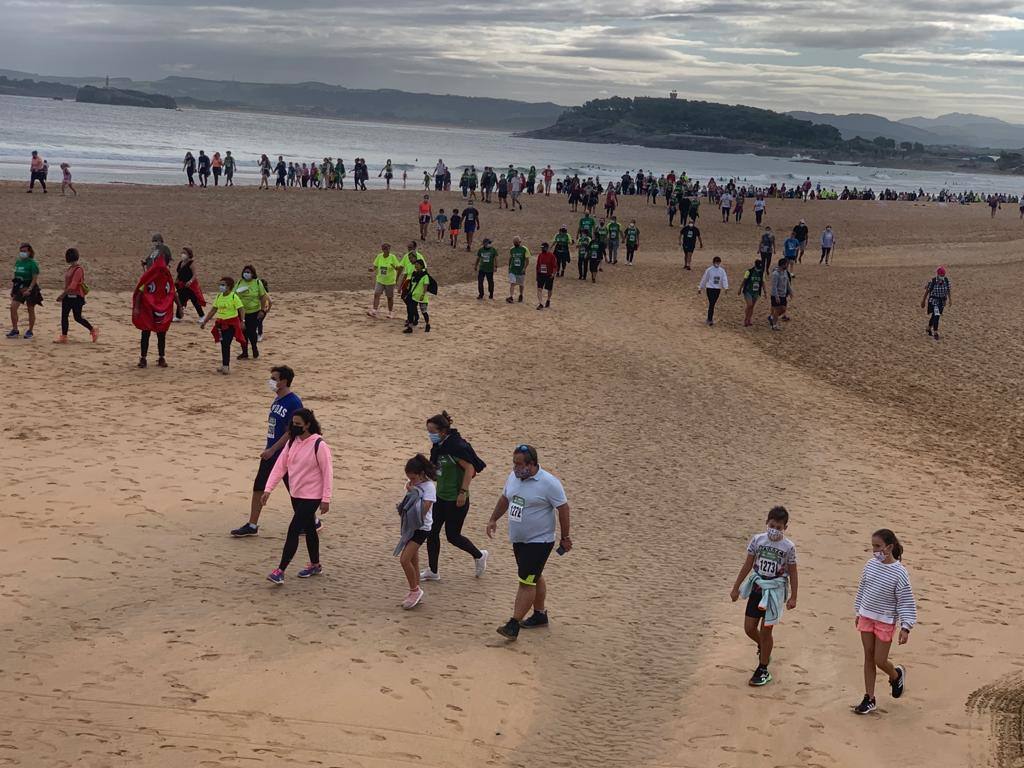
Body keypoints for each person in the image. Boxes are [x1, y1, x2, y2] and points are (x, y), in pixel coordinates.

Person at [486, 444, 571, 641]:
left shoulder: (549, 483)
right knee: (534, 576)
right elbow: (505, 498)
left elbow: (564, 509)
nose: (515, 468)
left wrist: (565, 537)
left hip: (540, 541)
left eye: (519, 464)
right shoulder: (513, 477)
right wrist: (493, 519)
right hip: (519, 539)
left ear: (532, 464)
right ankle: (540, 615)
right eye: (514, 463)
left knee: (526, 581)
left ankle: (513, 624)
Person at [232, 365, 305, 537]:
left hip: (285, 454)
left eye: (274, 378)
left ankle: (310, 521)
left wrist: (273, 449)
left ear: (284, 381)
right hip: (271, 453)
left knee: (295, 490)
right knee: (259, 486)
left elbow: (291, 431)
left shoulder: (293, 402)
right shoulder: (277, 400)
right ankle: (252, 525)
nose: (271, 382)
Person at [263, 408, 333, 585]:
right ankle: (315, 564)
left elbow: (327, 473)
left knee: (294, 529)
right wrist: (268, 489)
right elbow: (280, 467)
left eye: (298, 424)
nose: (294, 427)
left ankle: (280, 570)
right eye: (293, 424)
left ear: (308, 425)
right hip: (296, 494)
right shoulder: (292, 442)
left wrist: (326, 498)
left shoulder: (319, 445)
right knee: (309, 528)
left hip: (313, 496)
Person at [730, 506, 798, 687]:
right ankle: (765, 647)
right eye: (772, 525)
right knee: (749, 627)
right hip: (757, 588)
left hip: (774, 591)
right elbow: (747, 564)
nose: (774, 529)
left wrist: (793, 597)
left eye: (779, 527)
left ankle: (763, 668)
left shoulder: (789, 547)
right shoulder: (757, 540)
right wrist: (736, 587)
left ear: (785, 527)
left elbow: (793, 572)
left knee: (767, 630)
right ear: (766, 522)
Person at [852, 529, 916, 714]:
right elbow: (863, 587)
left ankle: (895, 675)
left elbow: (905, 600)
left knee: (880, 660)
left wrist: (906, 626)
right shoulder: (870, 565)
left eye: (878, 546)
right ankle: (869, 698)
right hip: (866, 616)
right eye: (873, 546)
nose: (875, 550)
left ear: (889, 547)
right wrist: (859, 610)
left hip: (885, 621)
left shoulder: (900, 573)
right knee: (868, 656)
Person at [420, 411, 488, 582]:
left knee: (453, 536)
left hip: (457, 499)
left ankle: (479, 555)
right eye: (428, 431)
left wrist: (462, 492)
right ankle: (433, 571)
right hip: (441, 497)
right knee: (432, 532)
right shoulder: (439, 448)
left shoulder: (456, 447)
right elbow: (435, 470)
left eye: (432, 432)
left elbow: (470, 469)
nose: (430, 435)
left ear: (443, 431)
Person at [395, 454, 436, 609]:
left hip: (421, 528)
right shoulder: (414, 484)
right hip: (411, 527)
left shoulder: (429, 487)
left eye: (413, 478)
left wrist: (414, 493)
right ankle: (416, 589)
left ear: (420, 474)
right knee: (413, 560)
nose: (410, 481)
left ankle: (415, 590)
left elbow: (423, 511)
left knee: (404, 560)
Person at [200, 276, 246, 374]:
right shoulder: (219, 296)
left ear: (229, 286)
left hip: (231, 324)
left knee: (226, 344)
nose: (221, 287)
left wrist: (242, 321)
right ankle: (225, 364)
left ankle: (226, 366)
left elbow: (241, 309)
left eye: (223, 285)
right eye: (220, 285)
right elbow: (213, 310)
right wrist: (205, 321)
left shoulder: (234, 296)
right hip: (220, 324)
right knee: (223, 344)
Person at [54, 248, 97, 343]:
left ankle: (92, 330)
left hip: (77, 297)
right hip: (68, 296)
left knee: (77, 317)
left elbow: (73, 286)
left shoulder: (78, 270)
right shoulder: (70, 268)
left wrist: (62, 295)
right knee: (64, 316)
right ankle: (64, 336)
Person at [234, 265, 270, 359]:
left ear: (253, 274)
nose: (246, 274)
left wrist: (263, 310)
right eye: (245, 272)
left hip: (254, 312)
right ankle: (244, 352)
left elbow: (263, 297)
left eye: (249, 272)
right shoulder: (239, 282)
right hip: (241, 312)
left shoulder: (257, 283)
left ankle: (254, 348)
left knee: (252, 332)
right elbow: (233, 295)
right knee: (242, 332)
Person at [7, 243, 42, 339]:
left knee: (30, 309)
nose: (22, 253)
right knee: (13, 307)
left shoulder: (32, 263)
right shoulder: (18, 262)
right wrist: (13, 289)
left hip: (30, 287)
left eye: (25, 251)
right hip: (19, 287)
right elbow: (15, 276)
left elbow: (34, 279)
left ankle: (30, 330)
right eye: (21, 251)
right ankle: (15, 330)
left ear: (29, 252)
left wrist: (29, 289)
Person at [401, 258, 432, 334]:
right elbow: (411, 284)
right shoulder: (414, 274)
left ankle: (428, 324)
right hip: (413, 295)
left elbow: (425, 286)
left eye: (417, 265)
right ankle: (410, 327)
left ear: (421, 266)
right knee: (411, 311)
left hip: (422, 297)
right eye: (415, 265)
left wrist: (423, 295)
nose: (416, 266)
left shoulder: (425, 276)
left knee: (424, 312)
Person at [369, 243, 399, 319]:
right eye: (384, 248)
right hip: (380, 280)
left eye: (387, 248)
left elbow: (398, 268)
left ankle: (390, 312)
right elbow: (375, 266)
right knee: (377, 294)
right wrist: (372, 269)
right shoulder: (379, 256)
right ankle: (374, 310)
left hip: (390, 281)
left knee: (389, 297)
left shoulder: (393, 257)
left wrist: (394, 266)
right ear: (382, 249)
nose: (385, 250)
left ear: (389, 249)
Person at [174, 247, 205, 320]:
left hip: (190, 286)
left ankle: (202, 316)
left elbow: (194, 275)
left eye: (184, 253)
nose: (183, 254)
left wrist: (190, 281)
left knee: (195, 301)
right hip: (181, 285)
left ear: (189, 254)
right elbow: (179, 273)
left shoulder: (191, 263)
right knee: (180, 300)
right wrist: (176, 280)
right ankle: (178, 316)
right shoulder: (180, 263)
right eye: (182, 253)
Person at [697, 256, 729, 326]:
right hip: (710, 288)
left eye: (718, 262)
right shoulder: (709, 270)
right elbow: (704, 279)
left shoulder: (722, 270)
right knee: (712, 303)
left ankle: (709, 318)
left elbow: (724, 279)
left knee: (713, 303)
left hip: (717, 289)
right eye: (716, 262)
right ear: (713, 262)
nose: (717, 263)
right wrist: (700, 287)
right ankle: (709, 319)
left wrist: (726, 287)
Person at [922, 266, 951, 340]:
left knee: (935, 315)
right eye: (941, 275)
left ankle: (928, 328)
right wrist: (923, 301)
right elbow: (927, 291)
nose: (942, 276)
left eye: (943, 275)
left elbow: (948, 291)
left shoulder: (946, 281)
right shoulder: (933, 281)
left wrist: (950, 300)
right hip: (934, 301)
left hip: (941, 302)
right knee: (937, 316)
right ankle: (935, 332)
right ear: (938, 274)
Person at [739, 258, 765, 327]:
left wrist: (765, 291)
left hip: (756, 292)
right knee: (749, 305)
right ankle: (746, 319)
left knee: (752, 306)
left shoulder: (761, 273)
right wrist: (740, 288)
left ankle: (749, 319)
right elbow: (744, 280)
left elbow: (762, 282)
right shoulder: (749, 271)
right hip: (748, 291)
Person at [768, 258, 792, 330]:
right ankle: (774, 325)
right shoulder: (776, 273)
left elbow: (787, 282)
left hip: (783, 294)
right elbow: (774, 286)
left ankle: (772, 318)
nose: (787, 265)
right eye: (786, 264)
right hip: (776, 295)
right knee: (778, 310)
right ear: (783, 264)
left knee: (783, 309)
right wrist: (776, 296)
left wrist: (790, 291)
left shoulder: (785, 272)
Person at [506, 237, 530, 304]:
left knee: (521, 284)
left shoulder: (524, 249)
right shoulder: (512, 249)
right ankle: (511, 297)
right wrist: (509, 266)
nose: (515, 244)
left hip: (521, 270)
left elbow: (527, 260)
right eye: (514, 243)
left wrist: (524, 268)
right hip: (513, 270)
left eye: (516, 243)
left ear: (520, 242)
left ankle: (521, 295)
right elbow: (511, 258)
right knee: (512, 283)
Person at [535, 242, 557, 309]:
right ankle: (540, 303)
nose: (542, 249)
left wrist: (553, 274)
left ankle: (548, 300)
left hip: (549, 275)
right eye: (541, 248)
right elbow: (538, 265)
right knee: (539, 289)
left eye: (543, 248)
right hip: (541, 274)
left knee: (549, 289)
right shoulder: (540, 255)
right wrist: (537, 275)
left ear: (547, 248)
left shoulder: (552, 256)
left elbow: (555, 266)